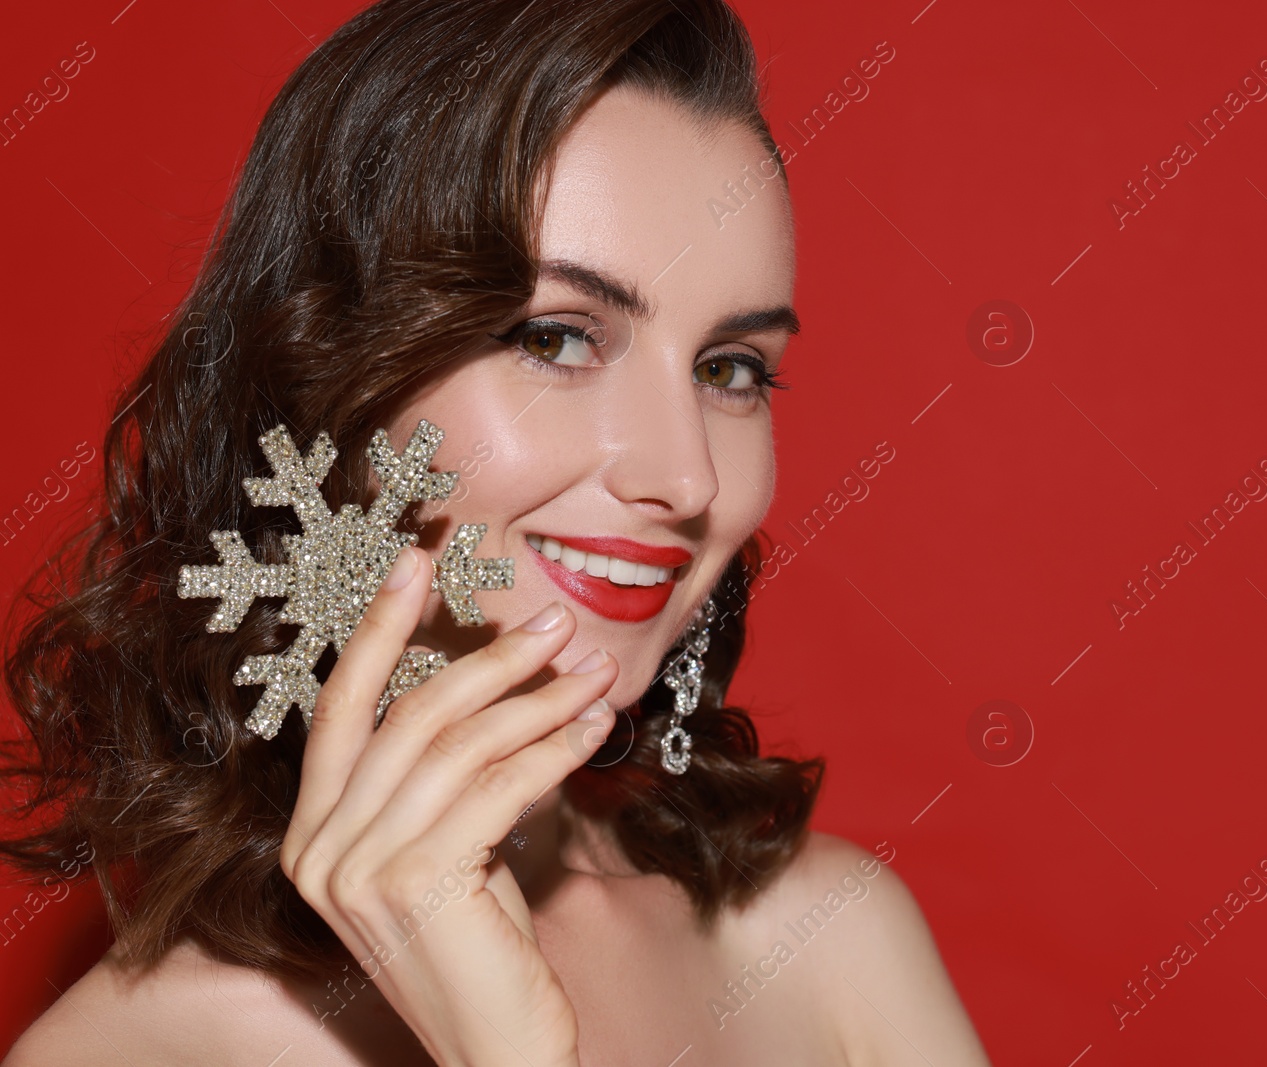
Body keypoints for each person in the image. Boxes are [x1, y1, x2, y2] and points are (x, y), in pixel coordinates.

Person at [0, 0, 991, 1064]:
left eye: (728, 369)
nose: (687, 473)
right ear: (327, 386)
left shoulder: (823, 937)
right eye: (557, 337)